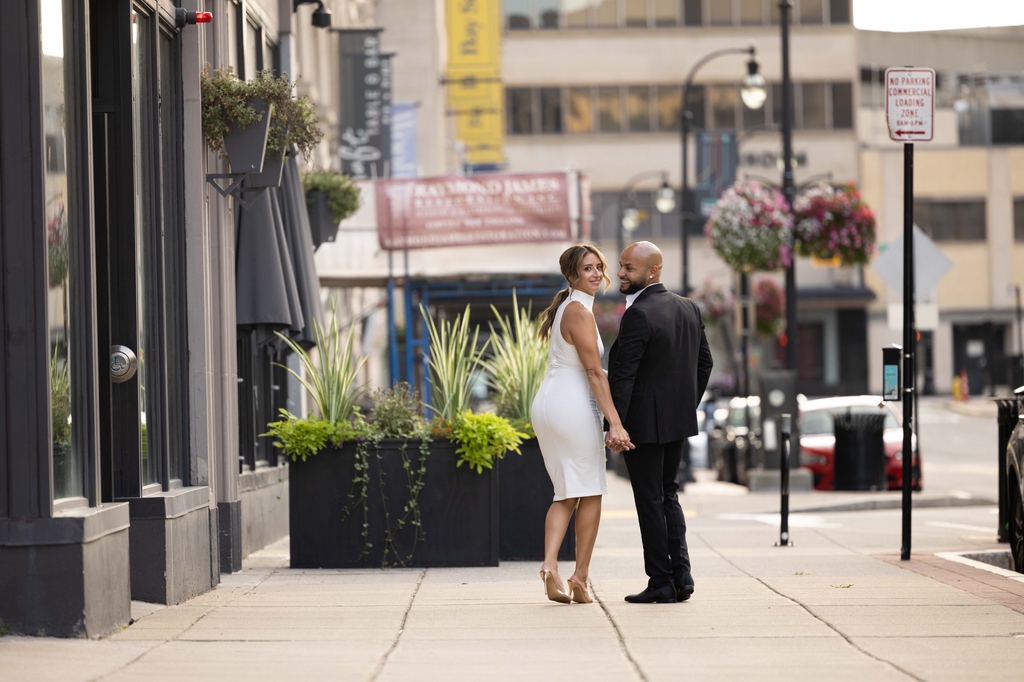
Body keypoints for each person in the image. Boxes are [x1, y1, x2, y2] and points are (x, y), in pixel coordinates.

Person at [607, 241, 713, 604]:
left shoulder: (639, 314)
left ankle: (661, 582)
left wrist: (614, 424)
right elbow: (705, 365)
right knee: (667, 495)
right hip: (676, 424)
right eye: (620, 266)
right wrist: (683, 407)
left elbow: (624, 376)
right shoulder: (688, 308)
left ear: (653, 271)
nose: (621, 273)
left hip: (642, 428)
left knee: (651, 500)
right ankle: (681, 575)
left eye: (629, 268)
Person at [531, 243, 634, 604]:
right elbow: (592, 372)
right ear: (572, 275)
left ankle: (549, 567)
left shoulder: (566, 308)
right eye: (586, 269)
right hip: (570, 406)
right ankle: (580, 576)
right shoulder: (578, 311)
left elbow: (587, 369)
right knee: (590, 489)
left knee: (567, 491)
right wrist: (616, 423)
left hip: (551, 402)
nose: (594, 274)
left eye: (598, 267)